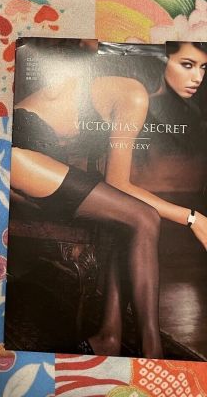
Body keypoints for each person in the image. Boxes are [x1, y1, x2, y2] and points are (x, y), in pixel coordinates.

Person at [87, 41, 207, 357]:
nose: (197, 77)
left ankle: (111, 335)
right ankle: (149, 348)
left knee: (134, 215)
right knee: (142, 216)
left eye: (203, 68)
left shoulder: (143, 95)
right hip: (35, 166)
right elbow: (116, 182)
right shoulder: (134, 93)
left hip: (63, 165)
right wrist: (193, 218)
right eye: (187, 65)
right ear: (161, 60)